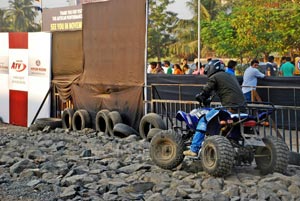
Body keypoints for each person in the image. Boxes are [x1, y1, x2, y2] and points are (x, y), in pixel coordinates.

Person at [183, 59, 246, 157]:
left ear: (212, 68)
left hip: (229, 107)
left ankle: (194, 149)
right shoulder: (230, 75)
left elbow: (206, 90)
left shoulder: (215, 77)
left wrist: (201, 96)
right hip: (242, 109)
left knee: (203, 120)